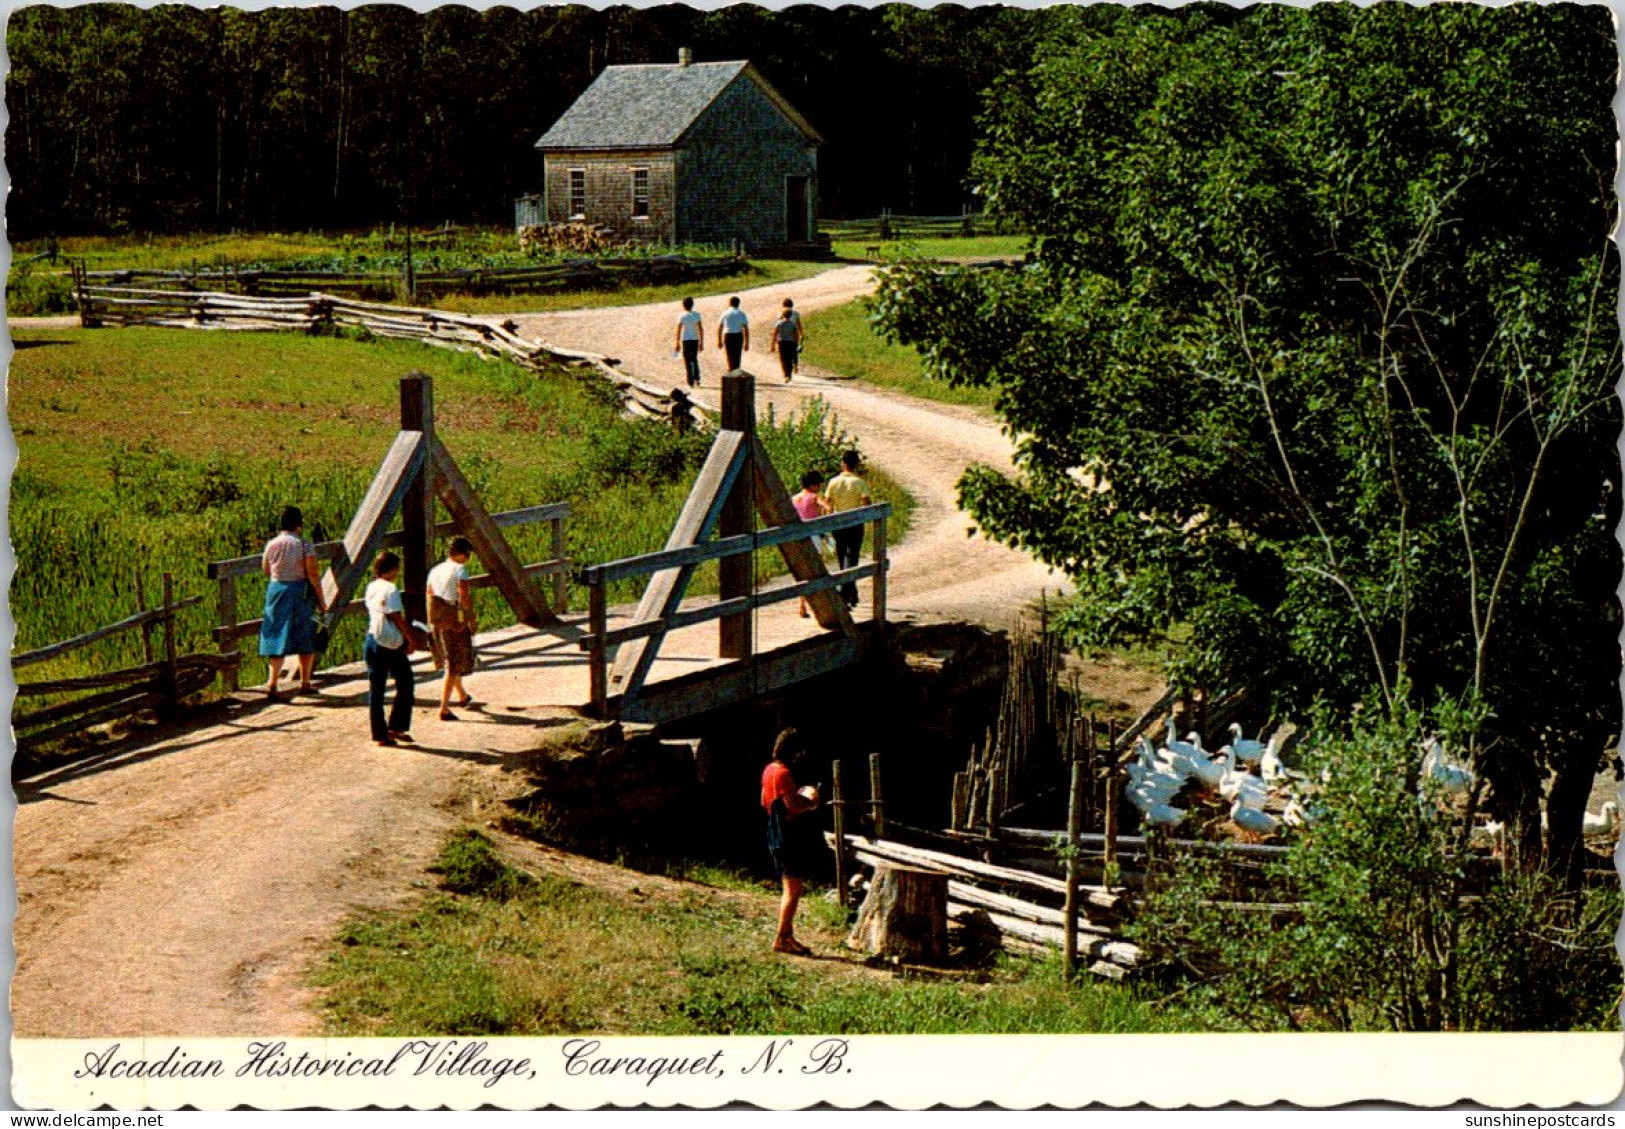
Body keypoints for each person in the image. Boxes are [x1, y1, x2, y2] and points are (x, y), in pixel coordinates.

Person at [761, 727, 821, 956]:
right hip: (789, 835)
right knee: (793, 891)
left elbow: (765, 800)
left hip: (774, 831)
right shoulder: (784, 773)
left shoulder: (769, 770)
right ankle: (782, 937)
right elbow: (793, 805)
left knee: (790, 887)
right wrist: (812, 800)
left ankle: (786, 935)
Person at [259, 505, 327, 699]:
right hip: (300, 591)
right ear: (299, 524)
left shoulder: (271, 544)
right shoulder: (304, 545)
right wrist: (321, 600)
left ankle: (272, 683)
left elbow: (265, 568)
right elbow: (313, 574)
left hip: (277, 590)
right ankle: (305, 682)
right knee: (305, 634)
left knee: (275, 632)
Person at [364, 550, 420, 747]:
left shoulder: (371, 586)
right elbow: (396, 617)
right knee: (405, 682)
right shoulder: (391, 589)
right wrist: (411, 639)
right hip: (389, 643)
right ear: (393, 569)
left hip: (372, 639)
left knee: (376, 690)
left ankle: (380, 734)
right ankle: (396, 726)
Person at [427, 537, 477, 722]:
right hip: (455, 618)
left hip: (438, 620)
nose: (468, 558)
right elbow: (464, 595)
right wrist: (470, 619)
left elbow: (430, 595)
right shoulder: (460, 570)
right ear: (460, 553)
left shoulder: (435, 570)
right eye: (467, 554)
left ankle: (462, 695)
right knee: (453, 664)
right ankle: (444, 708)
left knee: (450, 658)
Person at [824, 450, 872, 609]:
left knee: (841, 555)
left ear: (843, 463)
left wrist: (828, 519)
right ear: (856, 464)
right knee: (852, 557)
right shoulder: (859, 482)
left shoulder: (833, 482)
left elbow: (828, 504)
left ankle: (848, 592)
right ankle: (848, 592)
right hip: (855, 523)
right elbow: (866, 502)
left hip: (838, 523)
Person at [792, 469, 830, 618]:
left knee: (801, 571)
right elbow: (828, 507)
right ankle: (815, 604)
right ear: (813, 485)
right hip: (812, 535)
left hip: (797, 536)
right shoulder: (814, 497)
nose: (820, 486)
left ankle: (802, 605)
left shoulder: (794, 499)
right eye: (819, 483)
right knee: (816, 570)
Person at [769, 298, 804, 382]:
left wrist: (773, 344)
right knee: (791, 355)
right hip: (791, 341)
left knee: (783, 358)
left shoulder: (779, 320)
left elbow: (775, 333)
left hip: (781, 341)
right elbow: (797, 329)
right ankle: (793, 367)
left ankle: (786, 374)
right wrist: (799, 337)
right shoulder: (794, 318)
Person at [673, 296, 704, 388]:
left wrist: (677, 342)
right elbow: (700, 329)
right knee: (694, 359)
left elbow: (679, 329)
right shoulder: (697, 315)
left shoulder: (682, 316)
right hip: (695, 339)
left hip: (685, 340)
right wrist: (702, 342)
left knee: (687, 360)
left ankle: (690, 380)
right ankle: (697, 378)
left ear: (684, 305)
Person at [717, 295, 749, 372]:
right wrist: (746, 342)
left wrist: (719, 340)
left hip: (728, 335)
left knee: (729, 355)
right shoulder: (741, 313)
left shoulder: (725, 313)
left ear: (729, 303)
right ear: (738, 304)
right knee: (737, 355)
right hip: (738, 335)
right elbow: (745, 328)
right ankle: (736, 370)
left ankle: (731, 370)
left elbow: (720, 327)